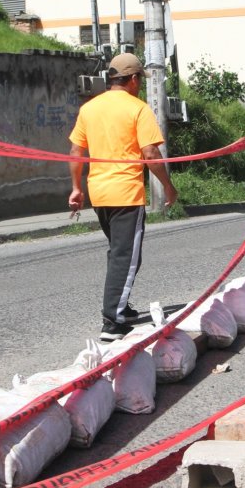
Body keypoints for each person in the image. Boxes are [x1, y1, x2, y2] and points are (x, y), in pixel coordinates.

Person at [68, 53, 178, 341]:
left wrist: (76, 188)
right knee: (125, 256)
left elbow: (76, 152)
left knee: (120, 252)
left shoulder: (89, 108)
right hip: (126, 193)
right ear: (132, 79)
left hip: (99, 193)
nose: (139, 84)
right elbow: (151, 153)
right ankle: (112, 321)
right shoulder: (138, 109)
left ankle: (122, 307)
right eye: (139, 79)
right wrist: (168, 185)